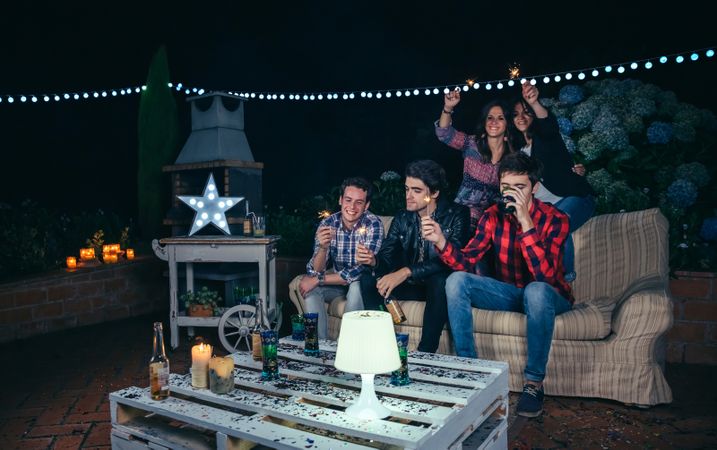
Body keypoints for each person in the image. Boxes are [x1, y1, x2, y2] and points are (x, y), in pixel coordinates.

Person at [422, 153, 572, 418]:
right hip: (511, 293)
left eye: (520, 187)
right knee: (456, 280)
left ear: (535, 188)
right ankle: (471, 373)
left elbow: (545, 278)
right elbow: (466, 261)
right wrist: (442, 241)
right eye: (506, 187)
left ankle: (533, 384)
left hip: (550, 295)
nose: (511, 194)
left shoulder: (556, 219)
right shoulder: (492, 216)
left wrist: (526, 223)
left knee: (535, 290)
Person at [356, 160, 471, 353]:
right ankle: (384, 345)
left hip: (437, 288)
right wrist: (373, 260)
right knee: (368, 278)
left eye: (416, 191)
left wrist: (406, 271)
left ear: (434, 193)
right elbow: (386, 257)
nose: (408, 196)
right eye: (407, 189)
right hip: (412, 286)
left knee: (440, 279)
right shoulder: (403, 217)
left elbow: (452, 261)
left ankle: (426, 352)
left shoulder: (457, 214)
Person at [511, 82, 595, 281]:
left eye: (526, 112)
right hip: (543, 208)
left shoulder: (546, 138)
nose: (521, 117)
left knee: (555, 219)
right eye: (515, 114)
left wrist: (534, 102)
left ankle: (566, 277)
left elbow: (548, 125)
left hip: (574, 197)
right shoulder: (516, 152)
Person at [299, 177, 384, 340]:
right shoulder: (328, 223)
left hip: (363, 283)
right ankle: (318, 345)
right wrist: (323, 248)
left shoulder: (373, 224)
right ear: (340, 200)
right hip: (337, 282)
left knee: (356, 287)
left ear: (366, 206)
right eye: (348, 200)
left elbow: (361, 271)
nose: (352, 207)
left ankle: (346, 345)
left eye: (359, 202)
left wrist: (319, 279)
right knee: (310, 289)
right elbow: (314, 270)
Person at [436, 90, 515, 229]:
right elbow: (444, 133)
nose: (494, 122)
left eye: (500, 118)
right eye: (490, 117)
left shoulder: (512, 157)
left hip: (494, 221)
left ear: (507, 123)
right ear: (484, 121)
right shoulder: (472, 143)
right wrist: (448, 108)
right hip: (463, 215)